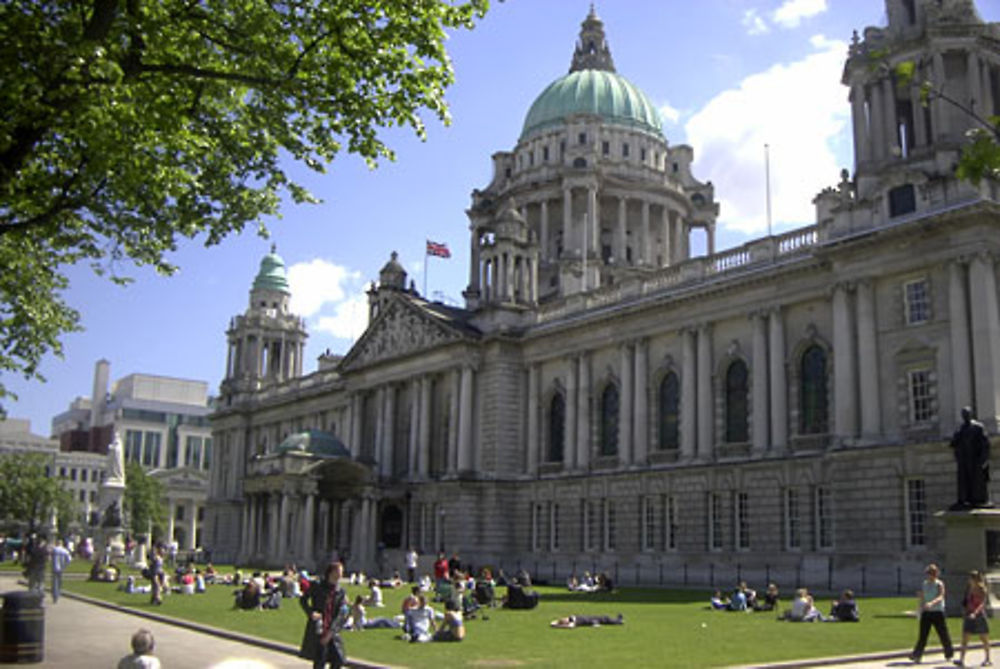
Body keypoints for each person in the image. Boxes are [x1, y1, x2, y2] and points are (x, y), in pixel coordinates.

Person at [300, 561, 348, 669]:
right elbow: (303, 600)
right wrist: (311, 612)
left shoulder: (340, 591)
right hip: (320, 627)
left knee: (339, 659)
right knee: (320, 660)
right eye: (340, 572)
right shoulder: (317, 586)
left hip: (332, 629)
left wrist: (332, 631)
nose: (341, 575)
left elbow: (341, 612)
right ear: (332, 572)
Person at [911, 563, 955, 663]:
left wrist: (931, 603)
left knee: (943, 633)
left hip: (937, 612)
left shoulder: (939, 584)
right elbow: (922, 597)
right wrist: (919, 609)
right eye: (929, 573)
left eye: (932, 573)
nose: (930, 575)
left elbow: (941, 596)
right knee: (923, 635)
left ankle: (949, 653)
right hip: (927, 612)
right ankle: (917, 655)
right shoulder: (925, 584)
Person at [951, 407, 991, 509]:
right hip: (964, 460)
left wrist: (984, 459)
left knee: (977, 481)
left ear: (971, 414)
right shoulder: (961, 429)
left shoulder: (978, 427)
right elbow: (954, 443)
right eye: (963, 414)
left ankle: (978, 500)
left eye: (967, 414)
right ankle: (964, 500)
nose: (965, 416)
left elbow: (985, 444)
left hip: (976, 459)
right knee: (964, 481)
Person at [956, 570, 991, 667]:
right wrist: (965, 611)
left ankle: (987, 658)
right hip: (969, 614)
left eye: (970, 578)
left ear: (974, 579)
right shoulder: (969, 589)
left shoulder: (982, 589)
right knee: (965, 638)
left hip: (979, 616)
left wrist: (975, 613)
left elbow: (982, 604)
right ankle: (961, 660)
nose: (969, 580)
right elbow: (967, 602)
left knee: (984, 638)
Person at [50, 539, 71, 603]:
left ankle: (55, 596)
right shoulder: (65, 550)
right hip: (61, 568)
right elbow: (69, 559)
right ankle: (58, 594)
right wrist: (65, 565)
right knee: (59, 582)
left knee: (54, 582)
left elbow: (50, 556)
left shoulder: (54, 549)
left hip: (54, 567)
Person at [550, 614, 625, 628]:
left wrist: (556, 623)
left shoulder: (571, 618)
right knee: (606, 619)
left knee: (605, 618)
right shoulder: (572, 623)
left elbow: (556, 621)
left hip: (592, 618)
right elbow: (568, 626)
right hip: (593, 620)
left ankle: (618, 620)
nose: (564, 619)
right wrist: (557, 625)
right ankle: (619, 621)